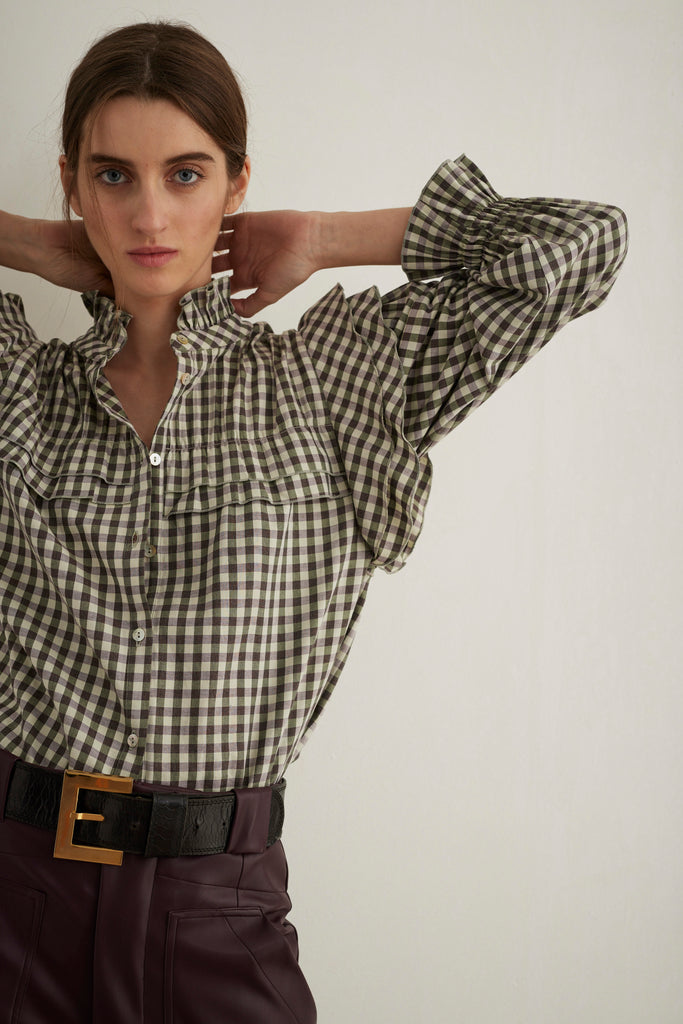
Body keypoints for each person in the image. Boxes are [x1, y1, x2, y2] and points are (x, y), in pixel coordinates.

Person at [0, 19, 627, 1024]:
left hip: (223, 916)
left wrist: (330, 237)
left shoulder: (330, 382)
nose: (149, 213)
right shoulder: (19, 387)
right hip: (22, 912)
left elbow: (581, 245)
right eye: (114, 176)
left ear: (236, 183)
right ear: (74, 185)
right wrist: (29, 243)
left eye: (186, 174)